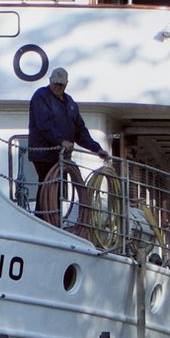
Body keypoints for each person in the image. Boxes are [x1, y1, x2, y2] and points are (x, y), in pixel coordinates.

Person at [27, 66, 109, 226]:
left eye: (61, 84)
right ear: (50, 81)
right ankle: (44, 222)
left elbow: (80, 131)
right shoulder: (41, 96)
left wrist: (96, 148)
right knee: (48, 185)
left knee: (56, 188)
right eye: (56, 83)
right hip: (45, 154)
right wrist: (60, 141)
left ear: (66, 84)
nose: (58, 87)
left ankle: (53, 222)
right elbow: (44, 125)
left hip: (62, 156)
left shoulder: (70, 102)